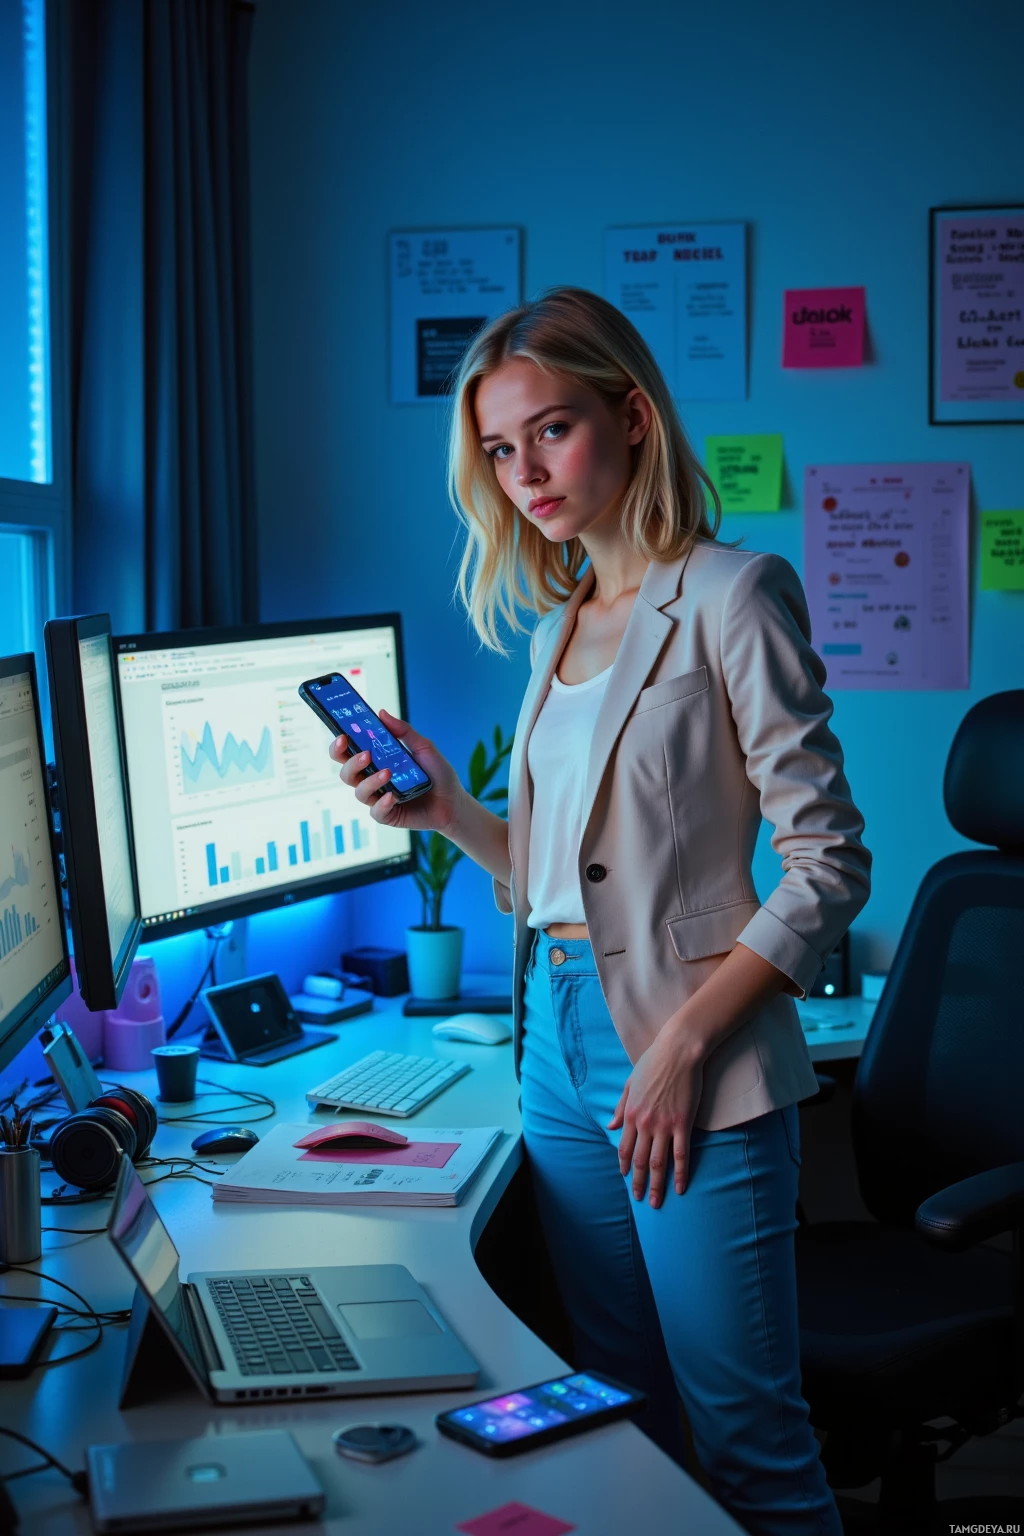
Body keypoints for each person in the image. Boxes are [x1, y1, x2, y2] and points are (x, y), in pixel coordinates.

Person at [330, 287, 870, 1536]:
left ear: (631, 415)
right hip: (556, 1047)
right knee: (621, 1414)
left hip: (694, 1046)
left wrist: (683, 1044)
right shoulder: (560, 628)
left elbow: (829, 864)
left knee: (748, 1441)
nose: (525, 473)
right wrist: (448, 814)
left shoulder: (735, 593)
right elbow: (555, 886)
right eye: (501, 451)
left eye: (552, 431)